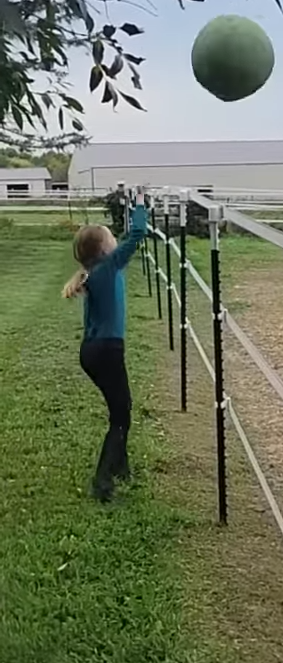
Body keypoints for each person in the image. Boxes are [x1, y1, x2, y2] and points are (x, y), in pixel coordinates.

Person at [62, 189, 148, 501]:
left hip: (94, 352)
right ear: (103, 250)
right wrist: (140, 201)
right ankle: (102, 484)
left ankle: (120, 466)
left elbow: (127, 235)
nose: (116, 240)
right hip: (107, 352)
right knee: (121, 416)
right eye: (112, 238)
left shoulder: (97, 270)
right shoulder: (108, 267)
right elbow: (138, 232)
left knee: (121, 408)